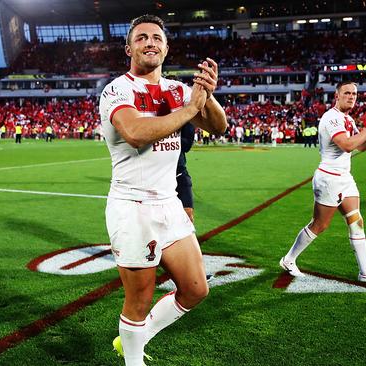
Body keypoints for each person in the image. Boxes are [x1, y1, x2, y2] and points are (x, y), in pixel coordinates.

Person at [98, 15, 227, 366]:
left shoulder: (178, 89)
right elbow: (136, 133)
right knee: (138, 300)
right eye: (141, 38)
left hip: (169, 203)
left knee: (196, 288)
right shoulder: (117, 90)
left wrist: (207, 97)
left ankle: (135, 341)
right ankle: (134, 360)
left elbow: (218, 127)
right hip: (132, 206)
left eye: (157, 37)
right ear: (129, 48)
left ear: (166, 48)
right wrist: (189, 109)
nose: (150, 42)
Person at [279, 82, 366, 285]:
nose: (351, 97)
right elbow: (347, 145)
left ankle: (365, 272)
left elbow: (363, 146)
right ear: (337, 96)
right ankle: (288, 260)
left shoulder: (347, 119)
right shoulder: (332, 117)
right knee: (320, 225)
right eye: (347, 93)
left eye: (354, 94)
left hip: (345, 178)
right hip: (329, 178)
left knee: (356, 222)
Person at [177, 123, 196, 222]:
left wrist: (163, 135)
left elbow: (187, 144)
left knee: (187, 217)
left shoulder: (184, 114)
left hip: (179, 173)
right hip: (155, 176)